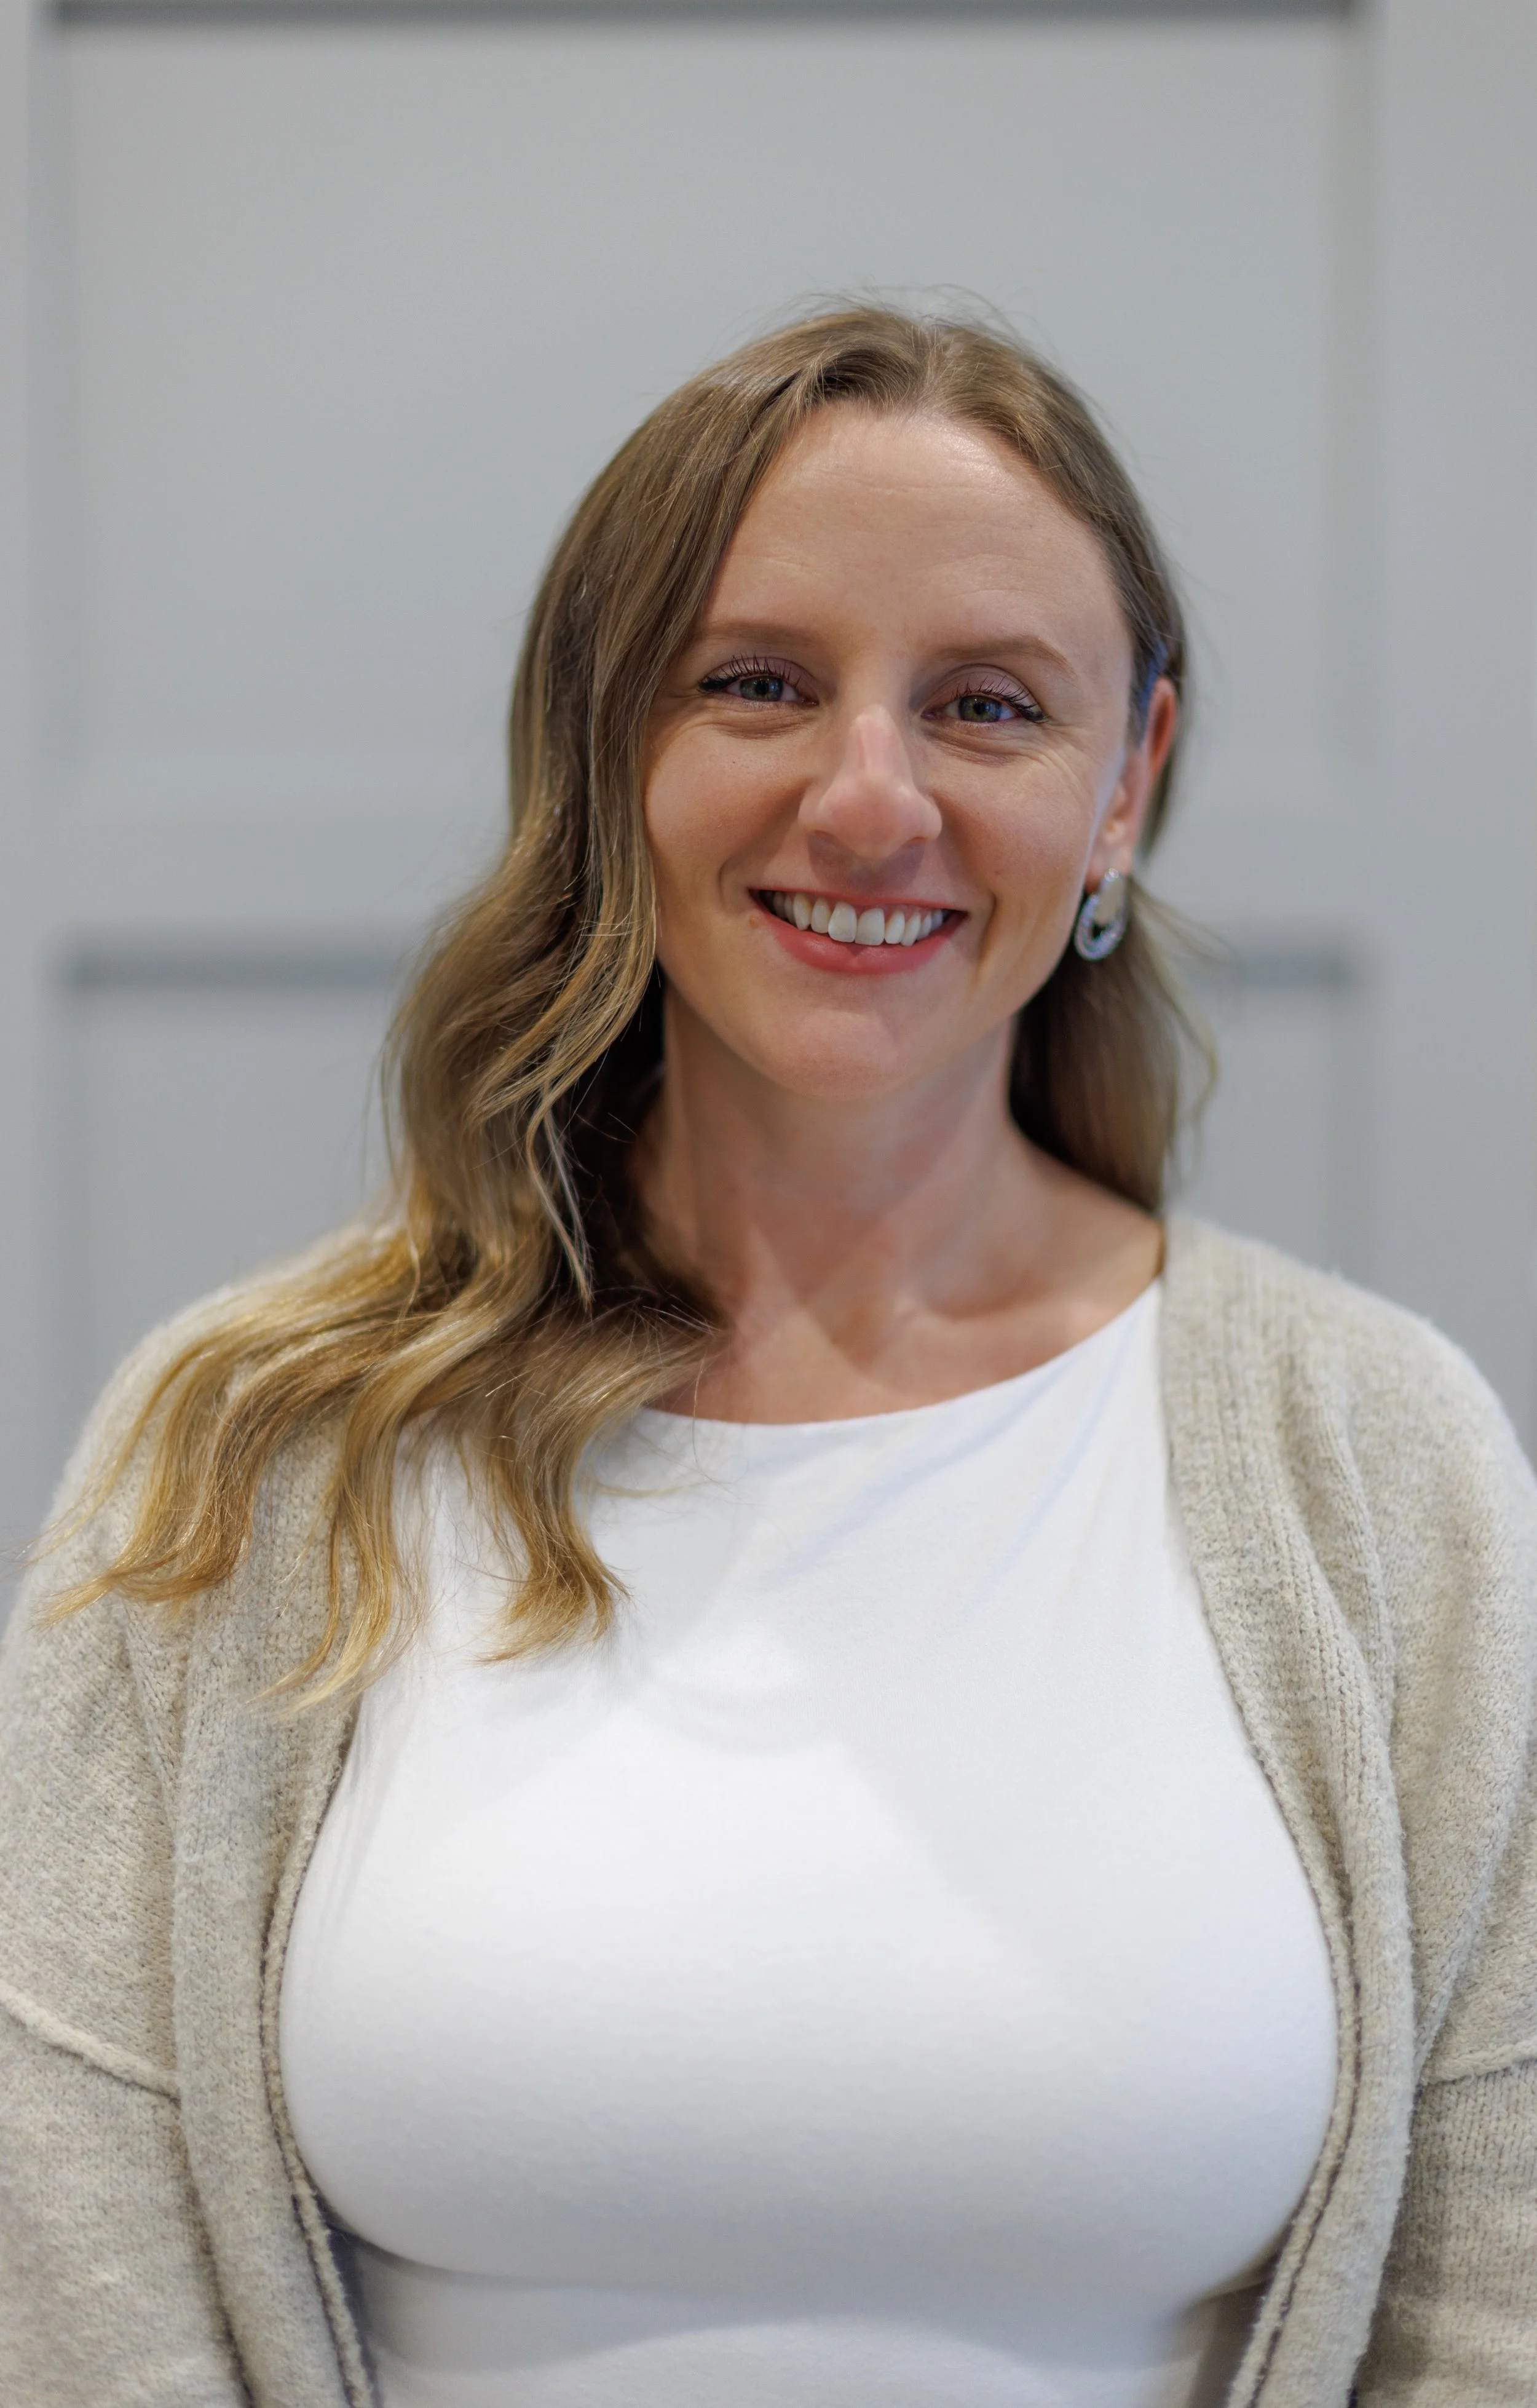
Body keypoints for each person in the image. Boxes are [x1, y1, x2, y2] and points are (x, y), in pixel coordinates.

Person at [1, 304, 1534, 2408]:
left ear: (1125, 786)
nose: (866, 795)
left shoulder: (1386, 1461)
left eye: (988, 705)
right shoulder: (252, 1446)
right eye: (758, 685)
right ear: (606, 747)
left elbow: (1493, 2303)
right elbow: (73, 2262)